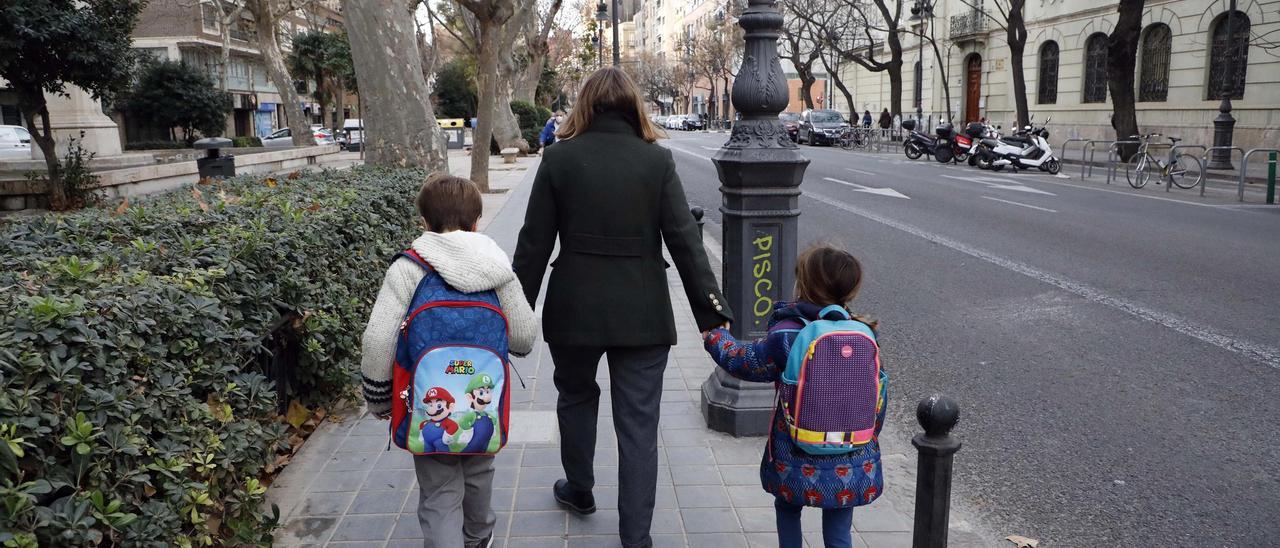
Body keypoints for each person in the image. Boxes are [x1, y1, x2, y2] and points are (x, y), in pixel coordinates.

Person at [512, 67, 733, 548]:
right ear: (635, 106)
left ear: (584, 106)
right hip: (643, 311)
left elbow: (533, 244)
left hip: (574, 307)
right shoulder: (657, 161)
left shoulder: (559, 159)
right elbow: (685, 243)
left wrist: (514, 311)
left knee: (574, 397)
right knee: (638, 424)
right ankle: (636, 537)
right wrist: (712, 314)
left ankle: (580, 489)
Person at [361, 173, 537, 548]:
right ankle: (478, 536)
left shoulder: (409, 267)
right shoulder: (496, 266)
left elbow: (377, 340)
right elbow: (523, 337)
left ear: (424, 223)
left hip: (427, 407)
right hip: (484, 402)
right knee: (479, 468)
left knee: (439, 489)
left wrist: (379, 399)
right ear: (477, 223)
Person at [701, 245, 888, 548]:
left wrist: (715, 336)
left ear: (803, 284)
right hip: (851, 449)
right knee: (840, 527)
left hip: (794, 449)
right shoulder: (865, 334)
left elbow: (743, 361)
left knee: (788, 509)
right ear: (850, 290)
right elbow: (878, 398)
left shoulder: (788, 335)